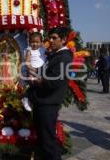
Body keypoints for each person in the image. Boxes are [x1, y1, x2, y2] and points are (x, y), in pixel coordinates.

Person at [31, 27, 73, 160]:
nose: (51, 40)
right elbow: (46, 73)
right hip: (43, 102)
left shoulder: (64, 57)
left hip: (48, 104)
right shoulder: (55, 55)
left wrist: (36, 81)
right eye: (50, 37)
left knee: (48, 142)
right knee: (42, 140)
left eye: (55, 38)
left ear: (64, 39)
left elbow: (53, 82)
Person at [22, 32, 46, 112]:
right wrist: (31, 69)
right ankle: (25, 98)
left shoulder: (42, 49)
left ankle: (36, 101)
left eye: (37, 42)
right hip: (32, 69)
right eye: (32, 42)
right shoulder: (29, 51)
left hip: (41, 69)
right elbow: (27, 62)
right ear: (29, 42)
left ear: (41, 42)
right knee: (32, 85)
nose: (34, 44)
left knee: (40, 86)